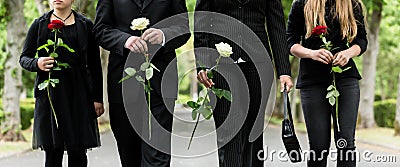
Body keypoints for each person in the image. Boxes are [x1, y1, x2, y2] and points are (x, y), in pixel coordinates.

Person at [195, 0, 293, 166]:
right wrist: (203, 63)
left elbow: (276, 25)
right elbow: (201, 22)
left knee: (254, 130)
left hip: (259, 64)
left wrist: (284, 70)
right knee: (228, 127)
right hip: (221, 64)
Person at [92, 0, 189, 166]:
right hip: (122, 84)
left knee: (158, 157)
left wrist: (164, 35)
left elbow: (183, 28)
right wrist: (125, 40)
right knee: (129, 156)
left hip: (162, 84)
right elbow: (100, 30)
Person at [19, 0, 104, 166]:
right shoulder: (39, 24)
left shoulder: (85, 25)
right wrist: (37, 63)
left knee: (78, 153)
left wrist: (97, 98)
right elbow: (24, 58)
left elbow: (94, 65)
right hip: (50, 96)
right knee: (52, 153)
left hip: (79, 96)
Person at [287, 0, 367, 166]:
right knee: (318, 146)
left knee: (346, 143)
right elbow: (290, 42)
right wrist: (311, 54)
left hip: (345, 79)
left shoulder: (352, 4)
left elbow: (361, 41)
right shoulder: (301, 4)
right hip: (312, 81)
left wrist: (348, 54)